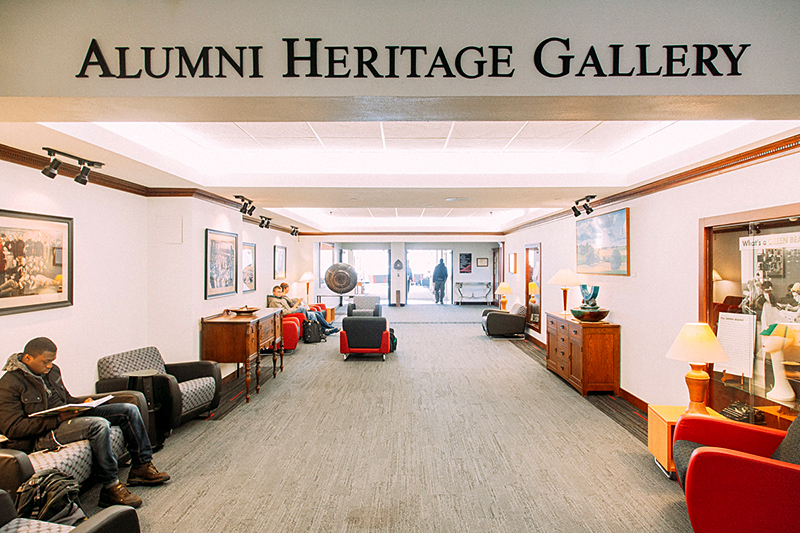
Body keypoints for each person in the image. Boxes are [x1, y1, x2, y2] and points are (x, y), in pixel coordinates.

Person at [0, 338, 170, 509]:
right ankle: (110, 487)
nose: (50, 365)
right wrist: (59, 419)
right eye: (46, 362)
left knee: (128, 409)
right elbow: (13, 428)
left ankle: (141, 467)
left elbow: (66, 399)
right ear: (28, 358)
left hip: (65, 419)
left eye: (52, 361)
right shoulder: (9, 383)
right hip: (43, 434)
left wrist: (83, 404)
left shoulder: (52, 372)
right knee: (98, 425)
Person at [267, 285, 339, 335]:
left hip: (291, 311)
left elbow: (289, 307)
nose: (280, 293)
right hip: (289, 314)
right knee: (303, 309)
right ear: (273, 292)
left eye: (280, 291)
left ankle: (325, 328)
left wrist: (294, 308)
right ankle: (324, 329)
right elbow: (284, 312)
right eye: (278, 292)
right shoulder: (274, 301)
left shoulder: (281, 298)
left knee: (317, 313)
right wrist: (294, 308)